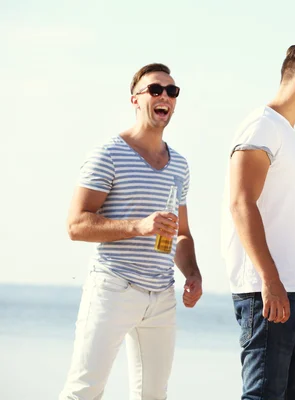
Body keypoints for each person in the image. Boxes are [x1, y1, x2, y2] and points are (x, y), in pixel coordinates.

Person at [59, 63, 203, 399]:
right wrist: (139, 226)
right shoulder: (108, 154)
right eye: (155, 89)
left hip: (162, 296)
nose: (164, 95)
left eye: (171, 91)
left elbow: (181, 234)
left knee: (154, 395)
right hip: (113, 288)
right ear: (135, 100)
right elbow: (76, 225)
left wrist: (192, 273)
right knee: (84, 390)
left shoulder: (179, 165)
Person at [221, 43, 295, 400]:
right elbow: (241, 203)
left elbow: (292, 213)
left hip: (292, 289)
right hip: (267, 290)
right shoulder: (262, 127)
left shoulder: (286, 134)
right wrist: (270, 280)